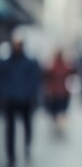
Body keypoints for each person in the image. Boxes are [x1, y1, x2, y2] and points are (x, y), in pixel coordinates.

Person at [0, 37, 41, 166]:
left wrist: (33, 97)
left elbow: (35, 81)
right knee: (10, 130)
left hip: (25, 99)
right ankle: (11, 156)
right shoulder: (6, 63)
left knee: (27, 127)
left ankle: (27, 148)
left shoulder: (30, 62)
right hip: (10, 99)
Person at [43, 50, 76, 132]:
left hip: (56, 92)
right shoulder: (65, 66)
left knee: (56, 110)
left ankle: (58, 123)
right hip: (63, 92)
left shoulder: (53, 66)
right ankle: (60, 123)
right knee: (62, 110)